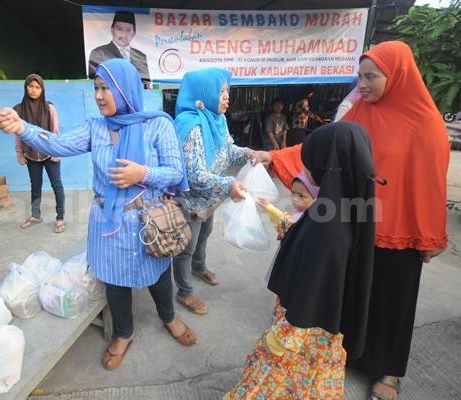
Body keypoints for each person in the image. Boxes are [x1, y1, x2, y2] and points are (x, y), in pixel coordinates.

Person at [250, 41, 450, 400]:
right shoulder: (360, 111)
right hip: (356, 219)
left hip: (399, 230)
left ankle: (389, 371)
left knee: (393, 300)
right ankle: (353, 353)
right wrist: (274, 155)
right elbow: (327, 145)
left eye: (371, 77)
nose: (363, 84)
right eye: (360, 77)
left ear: (398, 75)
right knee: (357, 293)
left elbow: (431, 183)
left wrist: (430, 235)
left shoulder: (427, 123)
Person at [0, 59, 195, 370]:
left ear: (125, 89)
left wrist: (141, 173)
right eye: (96, 88)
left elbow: (175, 171)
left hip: (150, 221)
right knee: (115, 283)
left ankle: (169, 317)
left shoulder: (157, 125)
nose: (99, 95)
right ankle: (124, 333)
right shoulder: (97, 128)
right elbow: (58, 144)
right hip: (109, 222)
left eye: (107, 88)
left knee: (159, 275)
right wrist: (21, 127)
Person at [225, 121, 377, 400]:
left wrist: (285, 334)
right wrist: (271, 210)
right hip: (318, 334)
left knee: (275, 382)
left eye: (309, 164)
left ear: (329, 166)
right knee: (311, 383)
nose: (304, 171)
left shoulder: (328, 227)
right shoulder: (339, 207)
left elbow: (315, 289)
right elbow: (297, 234)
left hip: (300, 334)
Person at [172, 68, 251, 315]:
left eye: (227, 91)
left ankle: (199, 266)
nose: (227, 97)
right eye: (222, 91)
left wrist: (248, 153)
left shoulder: (217, 119)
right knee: (187, 245)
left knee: (204, 235)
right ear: (204, 93)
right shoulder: (191, 125)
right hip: (191, 200)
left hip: (211, 196)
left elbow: (227, 149)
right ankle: (184, 292)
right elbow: (194, 175)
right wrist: (228, 184)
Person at [14, 74, 66, 233]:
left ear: (42, 89)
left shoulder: (49, 107)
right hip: (31, 155)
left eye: (38, 87)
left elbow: (55, 131)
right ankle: (36, 215)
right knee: (35, 186)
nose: (34, 90)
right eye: (31, 86)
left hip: (50, 154)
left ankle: (60, 218)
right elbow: (17, 133)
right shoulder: (19, 109)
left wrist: (57, 151)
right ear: (26, 87)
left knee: (57, 185)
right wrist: (19, 153)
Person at [87, 10, 150, 84]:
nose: (124, 34)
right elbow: (94, 79)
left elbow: (145, 82)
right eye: (119, 29)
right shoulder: (98, 53)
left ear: (134, 33)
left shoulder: (140, 56)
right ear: (112, 30)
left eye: (128, 30)